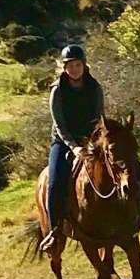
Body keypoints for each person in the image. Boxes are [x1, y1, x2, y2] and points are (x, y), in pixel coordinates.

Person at [42, 44, 106, 253]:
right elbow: (59, 126)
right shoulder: (57, 90)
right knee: (54, 180)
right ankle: (54, 231)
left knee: (122, 164)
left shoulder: (94, 87)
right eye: (70, 65)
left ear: (84, 65)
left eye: (78, 65)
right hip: (63, 141)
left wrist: (94, 141)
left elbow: (98, 117)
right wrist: (75, 148)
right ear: (64, 67)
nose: (75, 69)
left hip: (90, 139)